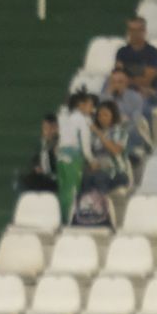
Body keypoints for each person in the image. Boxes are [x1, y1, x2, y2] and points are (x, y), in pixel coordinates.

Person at [56, 90, 97, 222]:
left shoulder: (62, 117)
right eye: (90, 105)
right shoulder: (82, 120)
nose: (92, 109)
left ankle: (62, 219)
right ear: (81, 105)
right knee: (72, 191)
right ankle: (68, 221)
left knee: (63, 190)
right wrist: (91, 160)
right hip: (73, 158)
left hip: (61, 157)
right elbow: (85, 145)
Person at [115, 17, 157, 112]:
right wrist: (140, 73)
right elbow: (117, 77)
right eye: (131, 30)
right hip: (126, 91)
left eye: (137, 30)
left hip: (149, 94)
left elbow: (146, 81)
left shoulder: (153, 53)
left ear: (144, 31)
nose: (134, 34)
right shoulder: (122, 52)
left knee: (138, 105)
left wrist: (126, 74)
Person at [18, 113, 60, 193]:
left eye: (50, 128)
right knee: (27, 179)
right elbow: (35, 158)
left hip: (54, 179)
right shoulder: (43, 142)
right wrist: (36, 166)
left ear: (56, 128)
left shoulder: (59, 143)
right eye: (44, 128)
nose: (46, 131)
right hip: (42, 177)